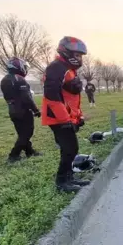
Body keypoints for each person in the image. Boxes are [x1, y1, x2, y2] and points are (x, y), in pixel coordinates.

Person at [42, 36, 91, 193]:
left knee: (69, 149)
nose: (79, 59)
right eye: (77, 55)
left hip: (66, 117)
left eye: (81, 56)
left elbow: (72, 98)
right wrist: (64, 119)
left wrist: (78, 117)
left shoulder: (70, 71)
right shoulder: (56, 68)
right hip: (57, 118)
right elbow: (52, 95)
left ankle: (69, 177)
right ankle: (62, 182)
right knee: (70, 148)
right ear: (67, 52)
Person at [0, 57, 42, 163]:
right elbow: (26, 98)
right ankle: (14, 155)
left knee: (22, 133)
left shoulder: (5, 79)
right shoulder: (19, 79)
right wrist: (36, 109)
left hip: (12, 109)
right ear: (18, 67)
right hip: (23, 110)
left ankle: (29, 151)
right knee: (27, 133)